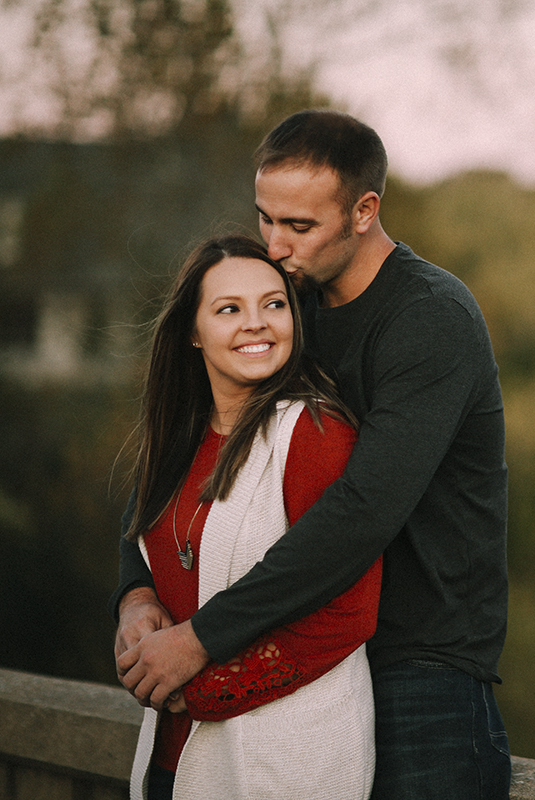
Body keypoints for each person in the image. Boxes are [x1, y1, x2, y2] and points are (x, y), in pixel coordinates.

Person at [113, 110, 511, 799]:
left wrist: (200, 637)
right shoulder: (288, 306)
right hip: (305, 659)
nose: (275, 244)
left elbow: (361, 511)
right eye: (266, 218)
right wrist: (135, 590)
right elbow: (193, 443)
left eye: (299, 226)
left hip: (424, 665)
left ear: (364, 211)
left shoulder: (430, 316)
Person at [121, 233, 380, 799]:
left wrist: (203, 686)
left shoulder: (313, 434)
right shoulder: (179, 441)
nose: (257, 323)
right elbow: (144, 547)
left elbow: (348, 613)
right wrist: (134, 602)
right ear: (192, 331)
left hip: (282, 764)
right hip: (170, 758)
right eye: (229, 309)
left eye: (274, 304)